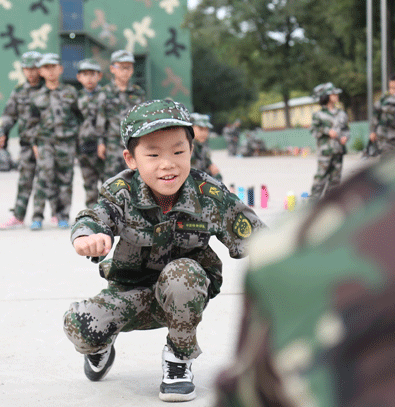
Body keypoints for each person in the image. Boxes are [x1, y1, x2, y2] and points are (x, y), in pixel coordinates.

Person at [214, 0, 395, 406]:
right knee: (327, 182)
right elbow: (363, 129)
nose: (336, 101)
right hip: (373, 155)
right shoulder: (361, 118)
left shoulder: (313, 250)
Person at [63, 99, 264, 402]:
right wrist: (87, 236)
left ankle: (179, 360)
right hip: (132, 293)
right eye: (153, 154)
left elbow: (257, 237)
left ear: (191, 150)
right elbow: (94, 217)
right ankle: (101, 347)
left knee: (181, 275)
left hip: (186, 292)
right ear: (131, 159)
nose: (168, 164)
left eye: (178, 152)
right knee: (80, 326)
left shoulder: (209, 194)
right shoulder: (122, 192)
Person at [22, 53, 82, 230]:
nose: (50, 71)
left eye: (53, 67)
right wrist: (34, 144)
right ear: (41, 71)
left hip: (66, 143)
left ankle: (62, 216)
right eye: (46, 68)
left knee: (65, 180)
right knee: (43, 179)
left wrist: (75, 139)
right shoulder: (37, 96)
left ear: (60, 69)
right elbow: (31, 123)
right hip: (45, 143)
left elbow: (79, 117)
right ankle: (37, 217)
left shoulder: (71, 93)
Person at [0, 51, 44, 229]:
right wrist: (3, 133)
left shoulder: (48, 90)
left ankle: (49, 216)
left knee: (47, 180)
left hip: (46, 144)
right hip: (26, 144)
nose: (31, 73)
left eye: (34, 68)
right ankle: (18, 216)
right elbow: (9, 115)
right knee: (25, 180)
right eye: (27, 69)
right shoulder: (19, 91)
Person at [99, 50, 146, 179]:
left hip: (133, 144)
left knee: (135, 179)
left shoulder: (138, 92)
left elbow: (143, 120)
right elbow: (101, 120)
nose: (125, 71)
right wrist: (100, 143)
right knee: (112, 181)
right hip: (112, 145)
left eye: (128, 67)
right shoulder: (105, 92)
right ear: (112, 69)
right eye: (121, 67)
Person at [309, 82, 349, 201]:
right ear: (326, 96)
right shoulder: (318, 115)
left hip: (338, 151)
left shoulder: (341, 113)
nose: (336, 95)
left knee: (335, 181)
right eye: (333, 93)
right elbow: (314, 131)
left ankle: (329, 205)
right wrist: (327, 131)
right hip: (325, 152)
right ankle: (312, 204)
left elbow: (346, 129)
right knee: (320, 179)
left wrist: (346, 137)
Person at [75, 58, 106, 208]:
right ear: (79, 77)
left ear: (99, 76)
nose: (89, 78)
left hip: (103, 148)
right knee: (89, 184)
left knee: (108, 184)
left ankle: (111, 216)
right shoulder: (75, 98)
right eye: (85, 74)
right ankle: (93, 216)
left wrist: (102, 142)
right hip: (83, 147)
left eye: (92, 74)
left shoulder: (106, 95)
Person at [369, 72, 395, 156]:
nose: (391, 91)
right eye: (390, 88)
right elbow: (376, 113)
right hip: (387, 139)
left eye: (394, 88)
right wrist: (373, 131)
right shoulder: (385, 98)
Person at [190, 113, 222, 180]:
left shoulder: (202, 145)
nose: (204, 133)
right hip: (189, 180)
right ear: (191, 128)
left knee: (218, 177)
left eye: (206, 129)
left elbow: (207, 162)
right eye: (201, 129)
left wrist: (211, 166)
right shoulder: (186, 146)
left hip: (200, 176)